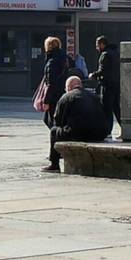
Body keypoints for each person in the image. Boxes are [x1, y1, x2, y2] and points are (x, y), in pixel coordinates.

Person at [47, 75, 111, 171]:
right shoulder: (94, 96)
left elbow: (57, 120)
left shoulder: (66, 97)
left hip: (79, 134)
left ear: (68, 87)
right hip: (100, 134)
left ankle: (54, 164)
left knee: (54, 131)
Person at [37, 35, 73, 171]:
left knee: (53, 127)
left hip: (54, 97)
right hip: (62, 95)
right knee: (53, 123)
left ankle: (55, 158)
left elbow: (51, 83)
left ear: (48, 46)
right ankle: (59, 149)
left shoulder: (52, 61)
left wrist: (46, 100)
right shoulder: (64, 58)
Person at [89, 35, 120, 137]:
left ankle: (108, 131)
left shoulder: (105, 54)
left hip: (107, 84)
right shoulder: (116, 53)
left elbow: (103, 70)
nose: (96, 48)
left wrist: (93, 75)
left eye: (97, 45)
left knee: (107, 108)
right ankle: (125, 129)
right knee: (116, 108)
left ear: (102, 44)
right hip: (116, 84)